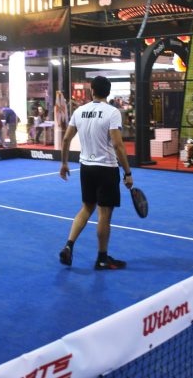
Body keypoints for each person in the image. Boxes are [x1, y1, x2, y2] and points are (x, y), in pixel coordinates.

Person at [59, 76, 133, 270]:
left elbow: (66, 140)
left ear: (92, 90)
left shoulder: (79, 111)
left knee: (86, 208)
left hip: (86, 168)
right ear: (108, 92)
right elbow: (117, 144)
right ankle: (102, 258)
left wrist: (64, 164)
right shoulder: (112, 112)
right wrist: (127, 172)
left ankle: (69, 245)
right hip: (106, 169)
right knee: (104, 214)